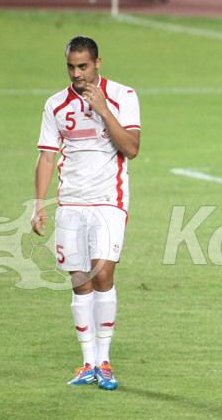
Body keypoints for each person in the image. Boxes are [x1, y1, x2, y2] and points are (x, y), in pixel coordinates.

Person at [31, 36, 141, 390]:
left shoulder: (123, 96)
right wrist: (39, 203)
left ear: (97, 63)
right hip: (71, 203)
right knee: (80, 281)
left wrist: (103, 109)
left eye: (83, 66)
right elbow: (48, 155)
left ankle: (105, 361)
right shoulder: (56, 105)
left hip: (109, 200)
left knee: (104, 275)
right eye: (71, 67)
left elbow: (132, 148)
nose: (77, 74)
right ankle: (87, 363)